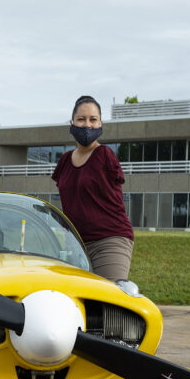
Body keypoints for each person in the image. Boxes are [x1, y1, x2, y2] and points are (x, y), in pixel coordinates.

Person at [51, 95, 135, 281]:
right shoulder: (64, 161)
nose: (87, 125)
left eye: (93, 120)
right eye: (81, 119)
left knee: (109, 297)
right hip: (76, 244)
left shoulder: (105, 155)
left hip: (109, 239)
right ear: (72, 123)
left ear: (101, 123)